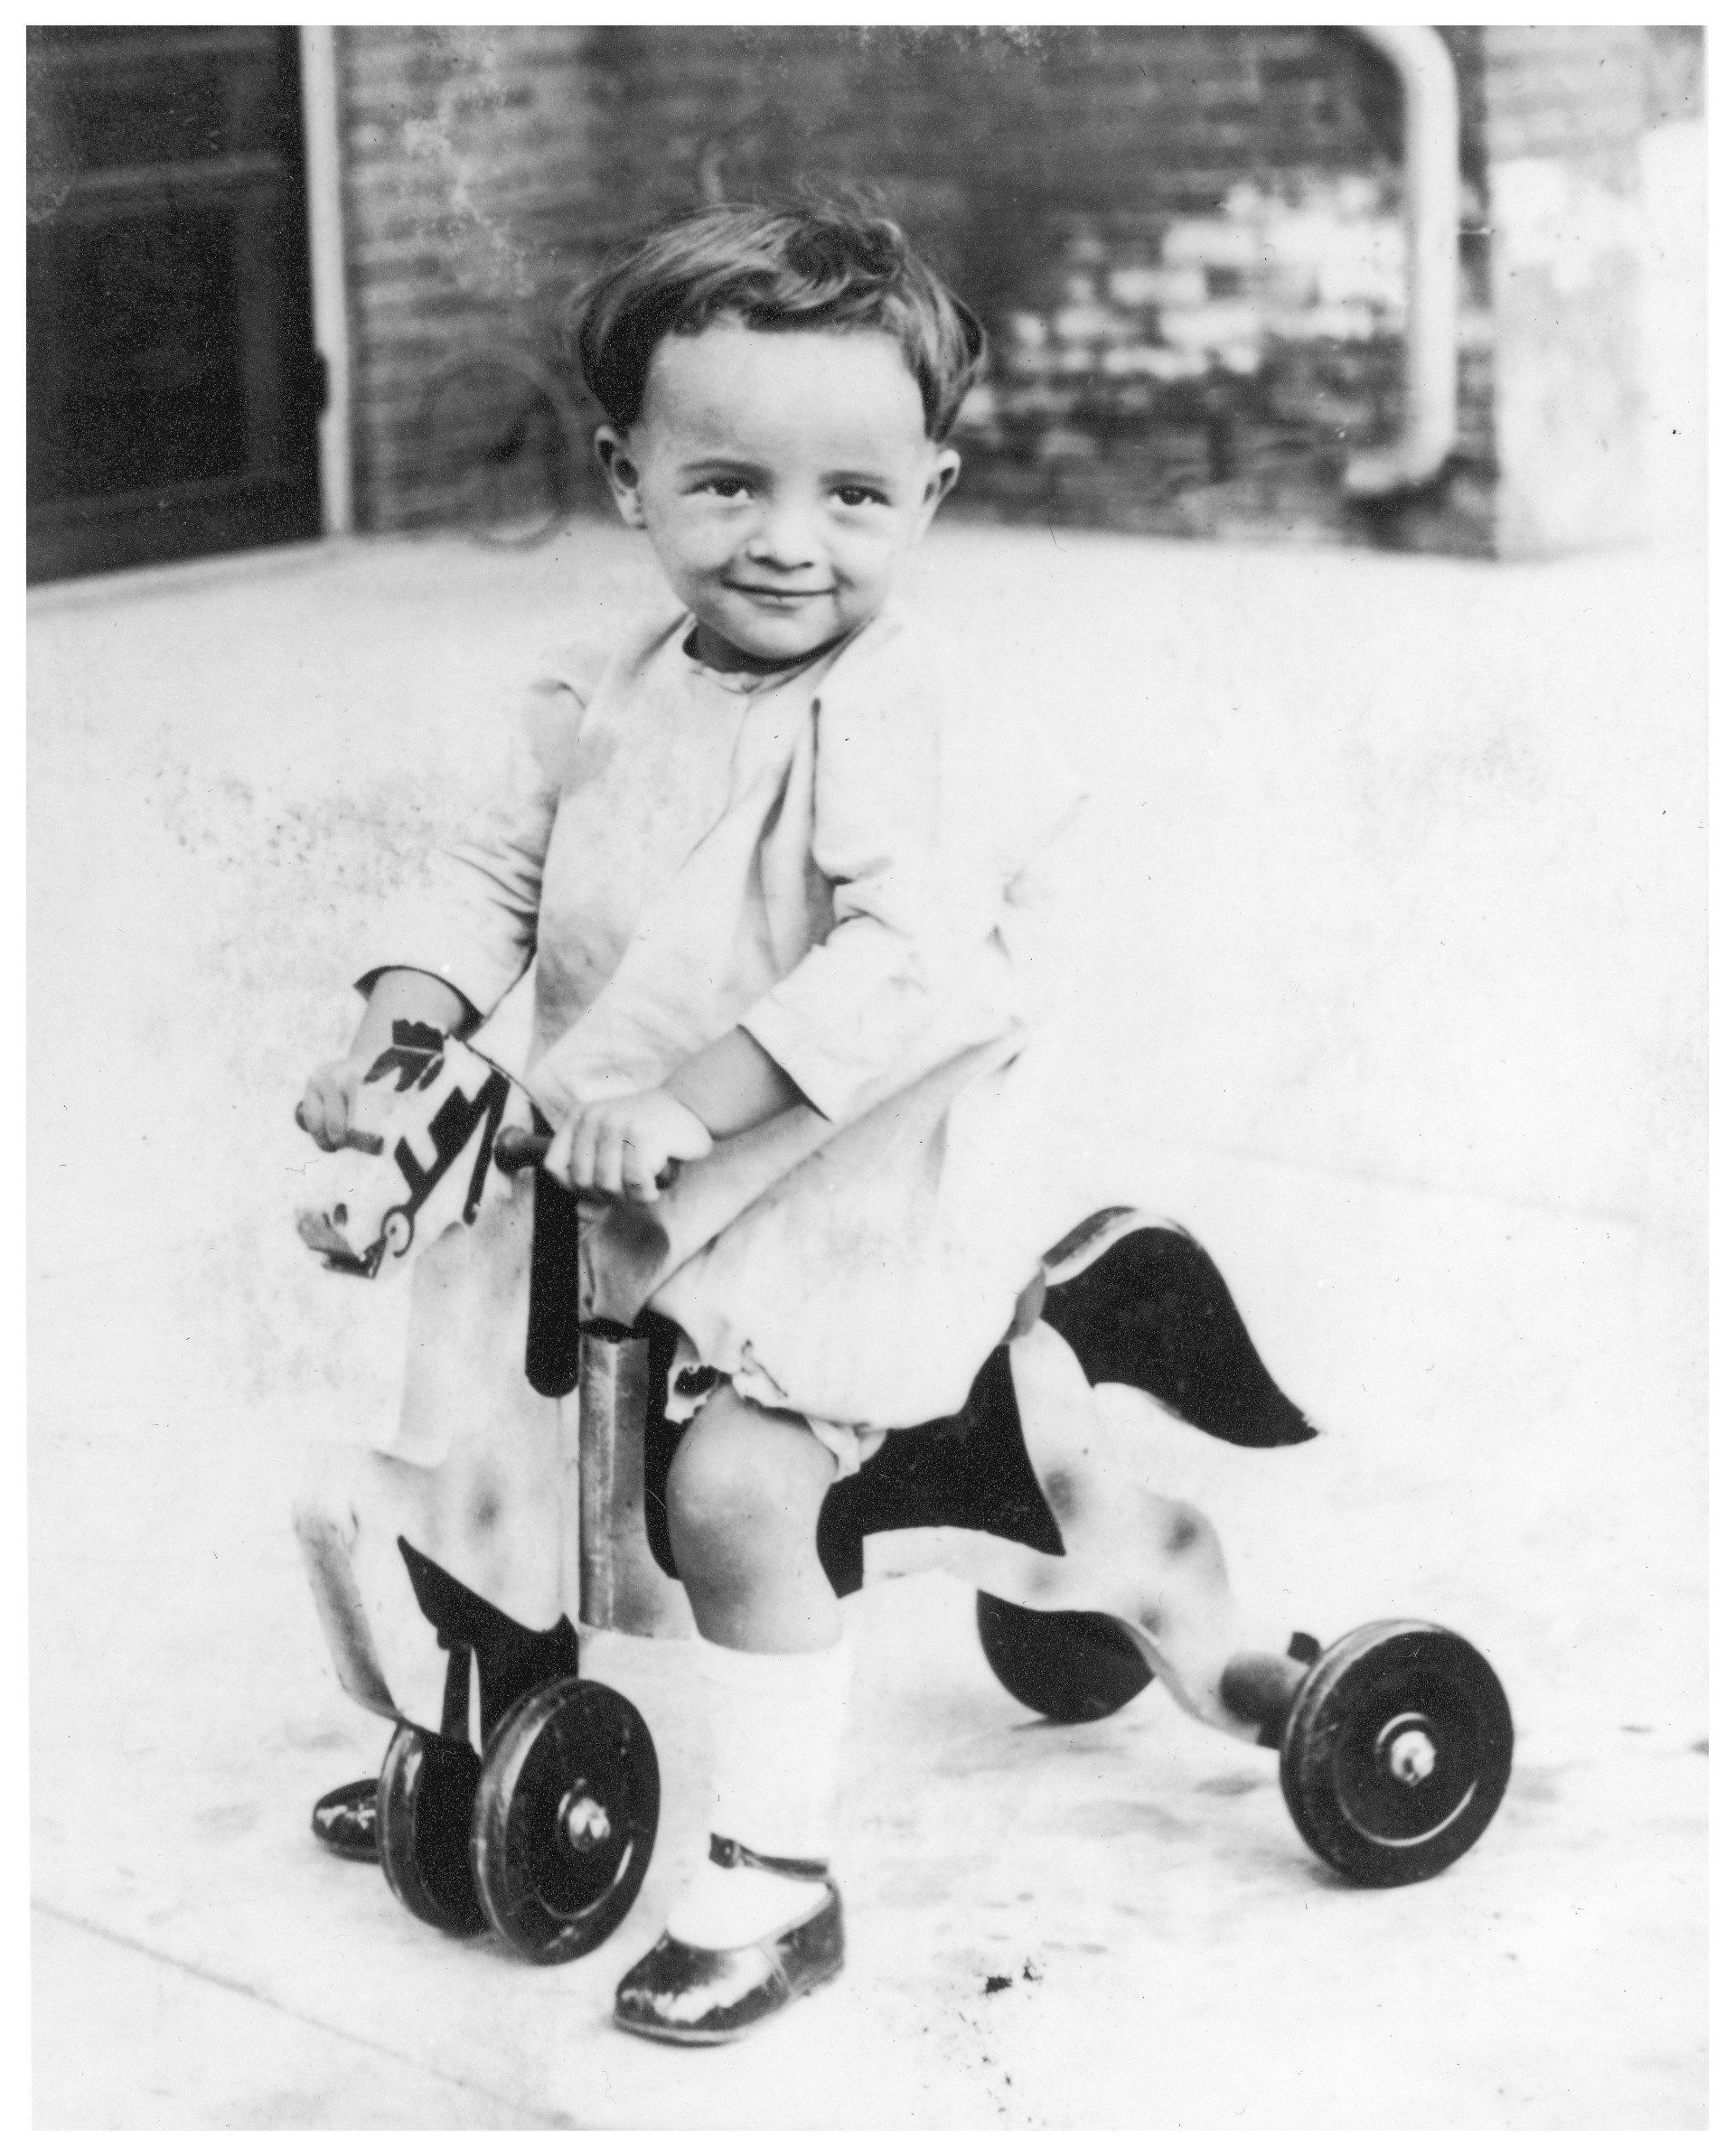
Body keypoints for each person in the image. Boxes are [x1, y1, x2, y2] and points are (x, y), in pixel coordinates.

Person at [298, 201, 1105, 2042]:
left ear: (934, 494)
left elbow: (907, 966)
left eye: (852, 495)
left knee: (732, 1487)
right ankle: (487, 1710)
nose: (789, 541)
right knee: (494, 1405)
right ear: (629, 477)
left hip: (848, 1161)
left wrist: (685, 1098)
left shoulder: (905, 714)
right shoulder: (605, 688)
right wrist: (400, 1019)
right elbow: (484, 871)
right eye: (728, 484)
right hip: (630, 1152)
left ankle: (777, 1868)